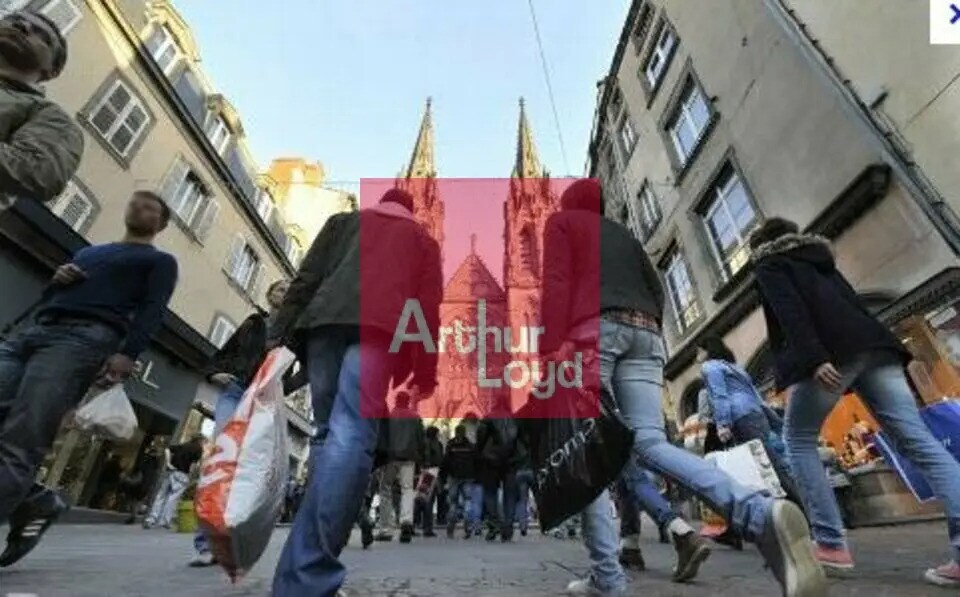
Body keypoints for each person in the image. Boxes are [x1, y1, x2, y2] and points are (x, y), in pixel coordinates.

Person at [540, 180, 824, 597]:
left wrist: (549, 346)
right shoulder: (625, 235)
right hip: (646, 335)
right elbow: (657, 289)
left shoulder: (561, 224)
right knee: (651, 445)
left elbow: (557, 281)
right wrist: (646, 327)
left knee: (587, 457)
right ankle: (760, 513)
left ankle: (608, 577)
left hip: (591, 334)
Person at [750, 217, 960, 587]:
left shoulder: (770, 263)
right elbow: (852, 305)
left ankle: (831, 544)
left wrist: (813, 357)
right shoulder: (820, 259)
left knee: (798, 440)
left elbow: (789, 310)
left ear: (762, 245)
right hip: (876, 346)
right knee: (919, 441)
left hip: (833, 352)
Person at [269, 188, 442, 596]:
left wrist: (277, 338)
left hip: (324, 329)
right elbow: (427, 307)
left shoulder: (343, 223)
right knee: (349, 439)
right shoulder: (421, 241)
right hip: (380, 331)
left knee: (329, 437)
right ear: (413, 210)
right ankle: (308, 579)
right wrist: (425, 370)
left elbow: (305, 280)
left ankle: (297, 577)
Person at [0, 191, 178, 567]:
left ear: (161, 223)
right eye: (136, 202)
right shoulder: (88, 253)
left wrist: (128, 353)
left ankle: (32, 503)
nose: (140, 208)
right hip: (34, 330)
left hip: (84, 339)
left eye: (152, 207)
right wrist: (58, 278)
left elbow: (152, 309)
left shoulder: (160, 261)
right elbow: (51, 294)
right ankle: (36, 502)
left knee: (24, 435)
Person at [188, 279, 291, 566]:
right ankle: (205, 543)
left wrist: (283, 389)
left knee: (248, 468)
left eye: (289, 289)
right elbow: (225, 352)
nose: (285, 292)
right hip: (234, 393)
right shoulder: (254, 323)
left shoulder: (295, 330)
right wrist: (214, 374)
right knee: (220, 462)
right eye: (280, 288)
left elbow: (302, 370)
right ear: (270, 295)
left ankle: (233, 538)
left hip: (264, 401)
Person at [697, 336, 802, 505]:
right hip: (755, 414)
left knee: (765, 465)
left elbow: (720, 395)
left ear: (707, 350)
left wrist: (723, 424)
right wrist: (775, 421)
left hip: (740, 417)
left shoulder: (710, 367)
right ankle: (795, 505)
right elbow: (756, 397)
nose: (697, 355)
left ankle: (800, 508)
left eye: (699, 350)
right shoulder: (735, 368)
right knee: (771, 460)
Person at [0, 10, 83, 203]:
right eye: (12, 20)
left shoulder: (49, 115)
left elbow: (38, 173)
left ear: (52, 70)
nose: (21, 26)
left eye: (42, 35)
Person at [375, 391, 424, 544]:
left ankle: (386, 529)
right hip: (409, 458)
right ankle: (406, 522)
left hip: (390, 458)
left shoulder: (389, 417)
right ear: (408, 401)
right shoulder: (416, 418)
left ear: (396, 401)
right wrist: (420, 458)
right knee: (407, 489)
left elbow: (381, 437)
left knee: (385, 490)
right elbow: (421, 440)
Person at [474, 405, 522, 543]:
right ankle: (508, 527)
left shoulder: (488, 419)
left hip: (491, 460)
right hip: (511, 461)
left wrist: (479, 455)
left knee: (490, 493)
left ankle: (494, 524)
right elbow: (523, 440)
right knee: (510, 496)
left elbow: (480, 440)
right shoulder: (515, 419)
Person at [143, 434, 203, 529]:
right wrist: (190, 476)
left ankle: (151, 519)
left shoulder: (182, 445)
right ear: (200, 440)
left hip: (171, 471)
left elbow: (167, 449)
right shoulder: (198, 449)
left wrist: (168, 463)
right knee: (173, 498)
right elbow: (193, 465)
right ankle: (164, 521)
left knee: (161, 495)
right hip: (182, 474)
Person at [442, 424, 478, 538]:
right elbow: (476, 461)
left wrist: (443, 477)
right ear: (464, 433)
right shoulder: (470, 446)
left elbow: (445, 462)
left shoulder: (451, 445)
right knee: (468, 500)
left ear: (456, 432)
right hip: (468, 476)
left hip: (454, 477)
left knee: (453, 502)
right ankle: (467, 521)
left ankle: (451, 526)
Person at [416, 425, 443, 538]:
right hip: (431, 472)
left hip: (427, 472)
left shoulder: (425, 442)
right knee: (428, 501)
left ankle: (417, 524)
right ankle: (427, 528)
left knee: (423, 500)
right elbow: (437, 459)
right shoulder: (434, 444)